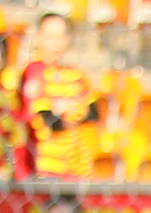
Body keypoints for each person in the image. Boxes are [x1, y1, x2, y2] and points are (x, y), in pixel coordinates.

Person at [16, 13, 102, 181]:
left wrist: (63, 110)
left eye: (61, 37)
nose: (56, 43)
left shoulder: (75, 74)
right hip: (45, 165)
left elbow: (93, 113)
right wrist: (69, 111)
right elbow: (43, 119)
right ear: (39, 39)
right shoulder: (33, 73)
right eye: (50, 37)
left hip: (76, 165)